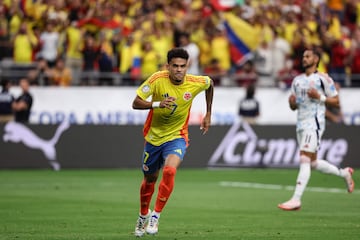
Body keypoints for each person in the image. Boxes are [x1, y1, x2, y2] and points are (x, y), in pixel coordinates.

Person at [132, 47, 214, 236]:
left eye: (182, 66)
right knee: (149, 180)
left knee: (169, 170)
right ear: (167, 66)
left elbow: (210, 85)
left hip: (177, 136)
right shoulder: (156, 79)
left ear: (187, 66)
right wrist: (157, 104)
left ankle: (156, 216)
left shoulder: (196, 82)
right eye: (175, 66)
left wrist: (208, 113)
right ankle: (143, 215)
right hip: (153, 138)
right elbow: (136, 102)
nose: (179, 70)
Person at [278, 48, 354, 211]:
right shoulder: (297, 81)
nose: (304, 59)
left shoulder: (323, 79)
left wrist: (320, 97)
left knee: (304, 158)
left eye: (308, 56)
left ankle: (296, 199)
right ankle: (344, 173)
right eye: (303, 56)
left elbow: (337, 102)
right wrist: (292, 103)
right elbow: (294, 106)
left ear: (316, 59)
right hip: (300, 124)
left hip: (314, 123)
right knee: (312, 163)